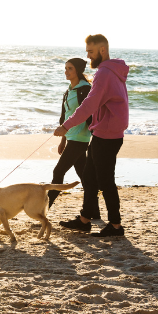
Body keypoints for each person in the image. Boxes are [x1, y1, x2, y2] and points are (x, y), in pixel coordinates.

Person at [53, 34, 130, 237]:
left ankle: (115, 226)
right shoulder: (113, 71)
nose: (88, 56)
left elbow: (89, 104)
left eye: (91, 52)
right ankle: (85, 220)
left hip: (107, 133)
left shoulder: (105, 73)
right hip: (106, 131)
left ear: (102, 50)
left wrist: (66, 126)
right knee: (89, 176)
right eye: (87, 51)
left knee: (105, 181)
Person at [48, 58, 92, 210]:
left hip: (80, 138)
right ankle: (94, 211)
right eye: (65, 68)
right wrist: (63, 141)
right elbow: (64, 116)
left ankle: (45, 208)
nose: (66, 71)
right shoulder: (68, 91)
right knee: (84, 177)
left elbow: (88, 114)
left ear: (78, 71)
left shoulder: (85, 90)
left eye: (70, 68)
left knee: (58, 171)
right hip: (71, 137)